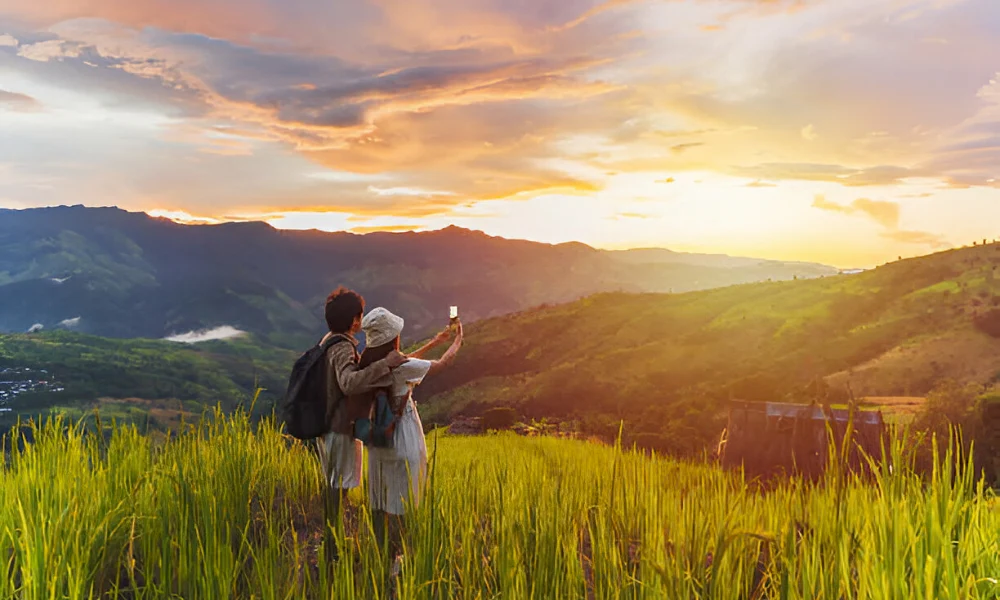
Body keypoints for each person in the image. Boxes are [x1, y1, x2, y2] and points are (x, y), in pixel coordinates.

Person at [358, 307, 463, 562]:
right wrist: (459, 338)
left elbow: (405, 361)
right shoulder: (401, 367)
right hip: (402, 437)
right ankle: (397, 559)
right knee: (402, 504)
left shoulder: (370, 365)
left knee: (380, 501)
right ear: (392, 338)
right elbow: (442, 364)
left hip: (378, 441)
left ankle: (381, 557)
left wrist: (434, 342)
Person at [317, 288, 408, 558]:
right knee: (337, 490)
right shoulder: (342, 346)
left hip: (330, 427)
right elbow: (349, 382)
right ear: (355, 321)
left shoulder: (329, 340)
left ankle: (332, 547)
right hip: (338, 429)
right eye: (360, 315)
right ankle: (332, 550)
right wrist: (385, 365)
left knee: (337, 487)